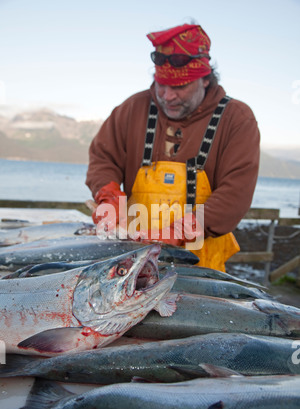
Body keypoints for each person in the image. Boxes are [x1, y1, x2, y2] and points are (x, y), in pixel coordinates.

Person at [86, 23, 260, 272]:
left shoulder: (237, 118)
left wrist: (179, 231)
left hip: (202, 265)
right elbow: (103, 159)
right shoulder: (132, 108)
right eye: (161, 84)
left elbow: (236, 193)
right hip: (133, 261)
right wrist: (109, 198)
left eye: (178, 87)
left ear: (205, 79)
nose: (167, 96)